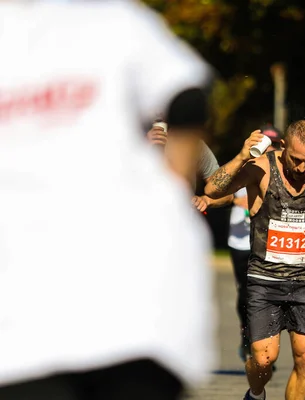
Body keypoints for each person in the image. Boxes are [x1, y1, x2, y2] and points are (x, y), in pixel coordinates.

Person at [0, 1, 218, 399]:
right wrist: (173, 185)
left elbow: (186, 96)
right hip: (118, 300)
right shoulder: (115, 18)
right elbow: (188, 99)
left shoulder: (108, 20)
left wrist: (173, 183)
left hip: (110, 307)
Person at [204, 120, 305, 400]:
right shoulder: (262, 168)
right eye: (297, 160)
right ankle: (255, 393)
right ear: (284, 147)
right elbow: (213, 191)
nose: (302, 168)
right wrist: (242, 156)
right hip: (265, 281)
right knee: (264, 359)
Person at [227, 125, 283, 363]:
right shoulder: (246, 165)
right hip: (241, 241)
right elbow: (224, 190)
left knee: (268, 292)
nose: (268, 149)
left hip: (268, 242)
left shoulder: (283, 168)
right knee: (246, 291)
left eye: (274, 144)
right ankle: (246, 333)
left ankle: (264, 341)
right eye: (265, 144)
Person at [146, 122, 234, 212]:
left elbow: (227, 195)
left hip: (179, 221)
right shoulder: (134, 144)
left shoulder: (193, 145)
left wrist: (206, 200)